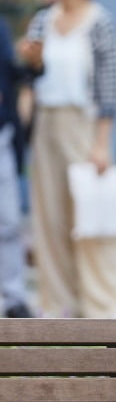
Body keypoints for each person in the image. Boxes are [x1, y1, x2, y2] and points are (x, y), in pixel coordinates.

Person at [18, 0, 116, 318]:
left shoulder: (99, 22)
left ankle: (102, 311)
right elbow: (31, 81)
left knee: (93, 220)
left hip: (84, 127)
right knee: (49, 221)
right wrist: (30, 64)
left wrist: (102, 144)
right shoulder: (42, 20)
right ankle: (58, 309)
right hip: (46, 125)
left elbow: (111, 88)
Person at [0, 16, 40, 318]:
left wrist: (34, 64)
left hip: (2, 134)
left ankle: (14, 298)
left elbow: (13, 73)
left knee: (9, 221)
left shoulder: (1, 25)